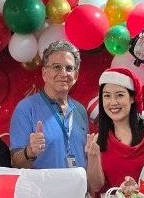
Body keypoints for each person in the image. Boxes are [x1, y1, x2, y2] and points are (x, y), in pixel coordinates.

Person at [10, 40, 89, 170]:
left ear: (75, 75)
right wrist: (29, 152)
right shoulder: (25, 108)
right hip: (41, 184)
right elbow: (15, 163)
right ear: (44, 73)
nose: (63, 73)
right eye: (57, 67)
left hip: (78, 183)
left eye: (69, 68)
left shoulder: (80, 110)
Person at [86, 67, 144, 198]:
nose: (113, 102)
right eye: (107, 96)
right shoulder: (98, 140)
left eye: (120, 95)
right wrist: (93, 156)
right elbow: (96, 186)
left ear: (132, 98)